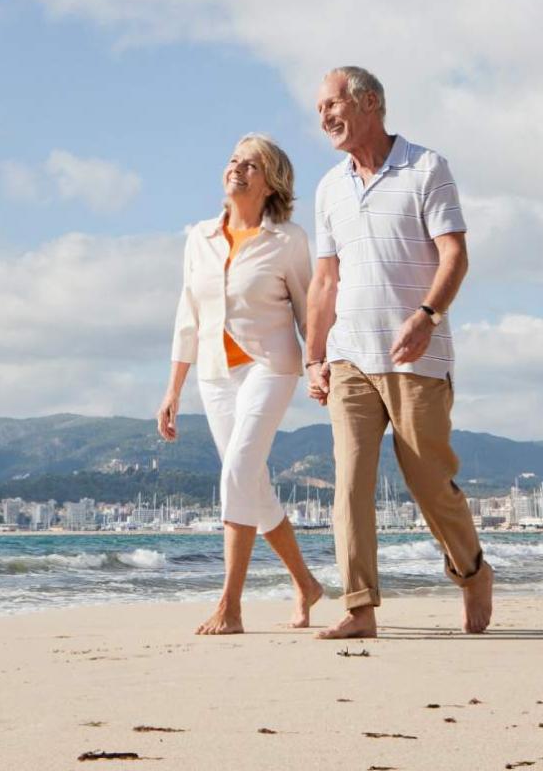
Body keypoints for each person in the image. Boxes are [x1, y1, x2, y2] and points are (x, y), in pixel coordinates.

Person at [304, 66, 493, 639]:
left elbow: (454, 255)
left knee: (428, 482)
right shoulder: (329, 187)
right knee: (350, 482)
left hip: (416, 355)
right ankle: (360, 608)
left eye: (333, 104)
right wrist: (315, 357)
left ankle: (472, 570)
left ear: (370, 103)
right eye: (318, 110)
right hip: (350, 357)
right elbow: (324, 282)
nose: (325, 118)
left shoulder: (426, 167)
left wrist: (428, 317)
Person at [158, 133, 323, 635]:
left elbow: (307, 307)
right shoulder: (200, 237)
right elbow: (188, 316)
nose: (238, 169)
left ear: (271, 182)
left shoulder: (288, 240)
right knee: (251, 482)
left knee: (237, 473)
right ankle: (306, 583)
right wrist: (173, 390)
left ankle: (230, 605)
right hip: (214, 374)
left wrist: (317, 362)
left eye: (251, 165)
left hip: (271, 365)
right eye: (234, 161)